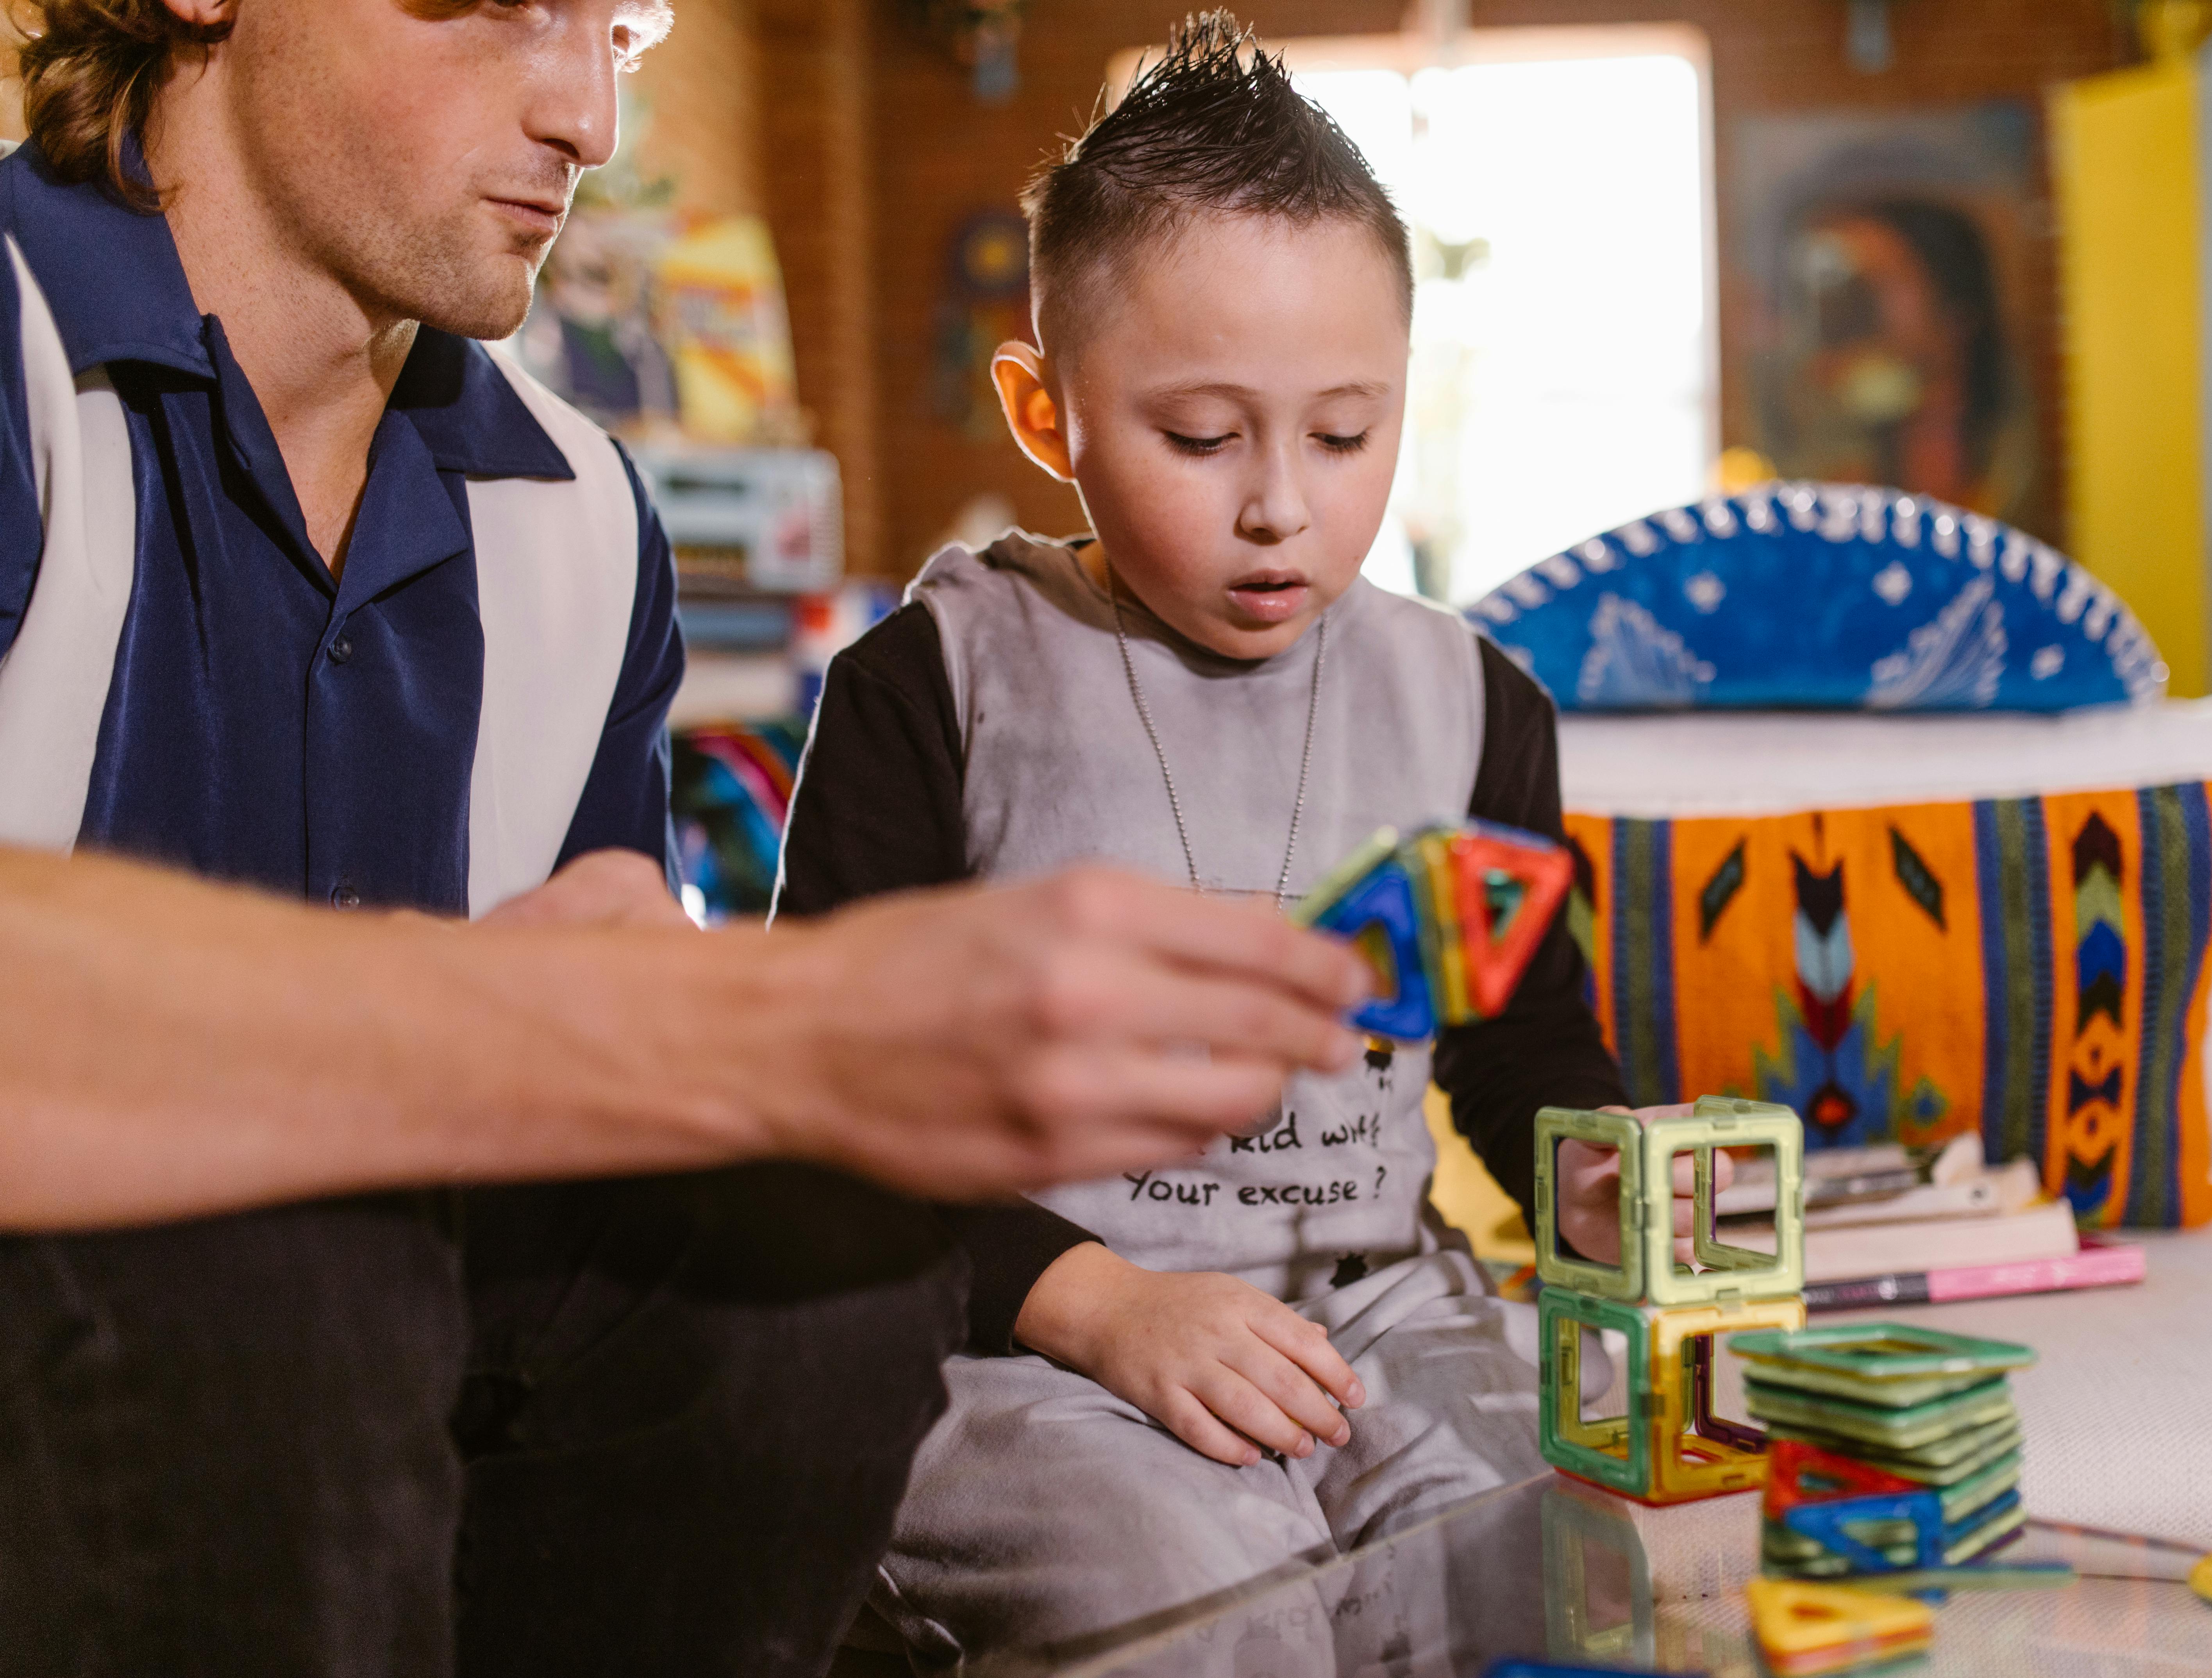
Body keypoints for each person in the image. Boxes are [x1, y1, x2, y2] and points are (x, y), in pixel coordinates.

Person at [0, 4, 1366, 1676]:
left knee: (810, 1261)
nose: (588, 116)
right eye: (506, 5)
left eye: (626, 32)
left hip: (391, 1415)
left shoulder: (581, 516)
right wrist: (781, 1020)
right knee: (288, 1281)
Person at [773, 18, 1687, 1667]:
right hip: (1033, 1339)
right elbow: (838, 1111)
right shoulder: (937, 684)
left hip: (1379, 1313)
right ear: (1046, 415)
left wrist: (1617, 1193)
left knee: (1552, 1570)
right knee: (1213, 1610)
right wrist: (1102, 1308)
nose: (1284, 506)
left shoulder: (1474, 703)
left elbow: (1520, 1037)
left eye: (1346, 434)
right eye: (1202, 439)